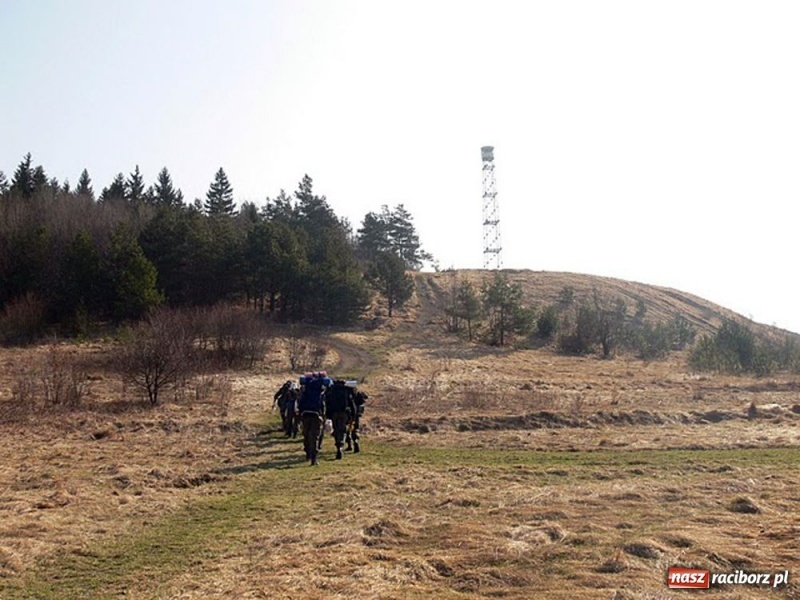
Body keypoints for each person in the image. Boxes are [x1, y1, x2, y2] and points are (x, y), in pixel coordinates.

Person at [296, 372, 330, 465]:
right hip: (316, 415)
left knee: (306, 435)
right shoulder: (320, 391)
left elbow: (300, 403)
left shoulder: (305, 391)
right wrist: (323, 414)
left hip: (305, 414)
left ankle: (307, 453)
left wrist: (300, 414)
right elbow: (322, 405)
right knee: (315, 437)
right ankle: (314, 458)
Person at [325, 379, 357, 460]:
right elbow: (352, 404)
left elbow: (327, 404)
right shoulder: (346, 391)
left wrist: (328, 416)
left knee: (336, 431)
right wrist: (353, 416)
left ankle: (338, 445)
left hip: (334, 414)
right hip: (344, 413)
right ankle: (341, 447)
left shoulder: (331, 391)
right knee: (343, 431)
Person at [345, 389, 368, 453]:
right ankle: (356, 441)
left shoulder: (346, 394)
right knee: (355, 429)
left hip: (348, 415)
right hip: (355, 416)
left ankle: (349, 445)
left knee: (348, 430)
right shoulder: (357, 393)